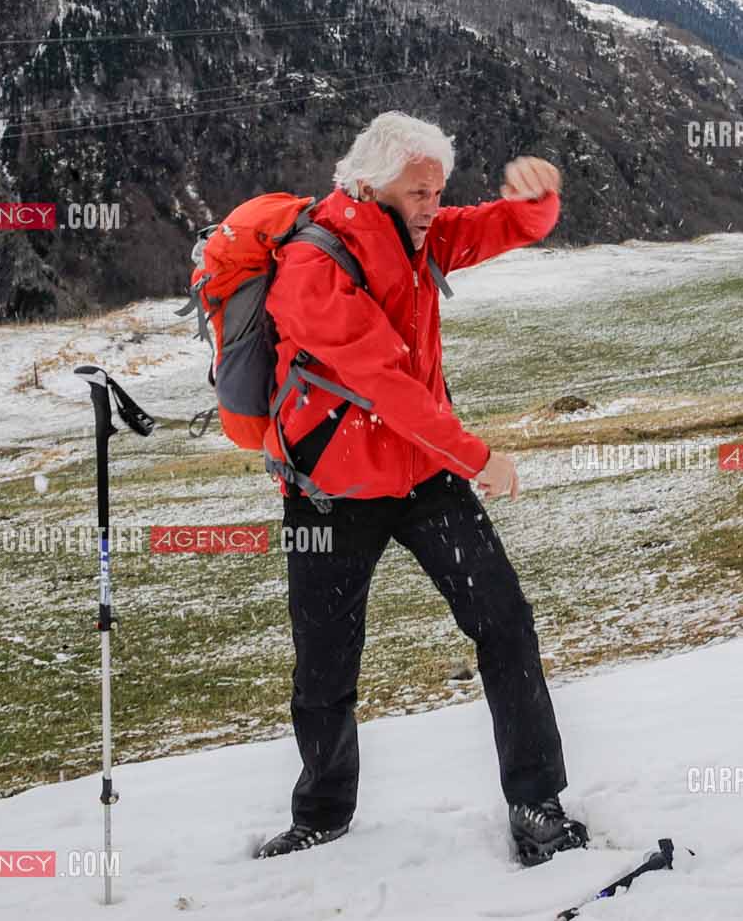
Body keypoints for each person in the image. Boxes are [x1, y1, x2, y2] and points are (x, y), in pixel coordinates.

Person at [252, 110, 587, 866]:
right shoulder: (312, 266)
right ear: (371, 186)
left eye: (438, 191)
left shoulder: (420, 235)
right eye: (419, 192)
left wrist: (536, 200)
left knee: (505, 624)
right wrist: (478, 457)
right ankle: (322, 815)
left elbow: (501, 227)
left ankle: (536, 804)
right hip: (329, 493)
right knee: (325, 661)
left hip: (423, 479)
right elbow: (385, 384)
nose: (434, 206)